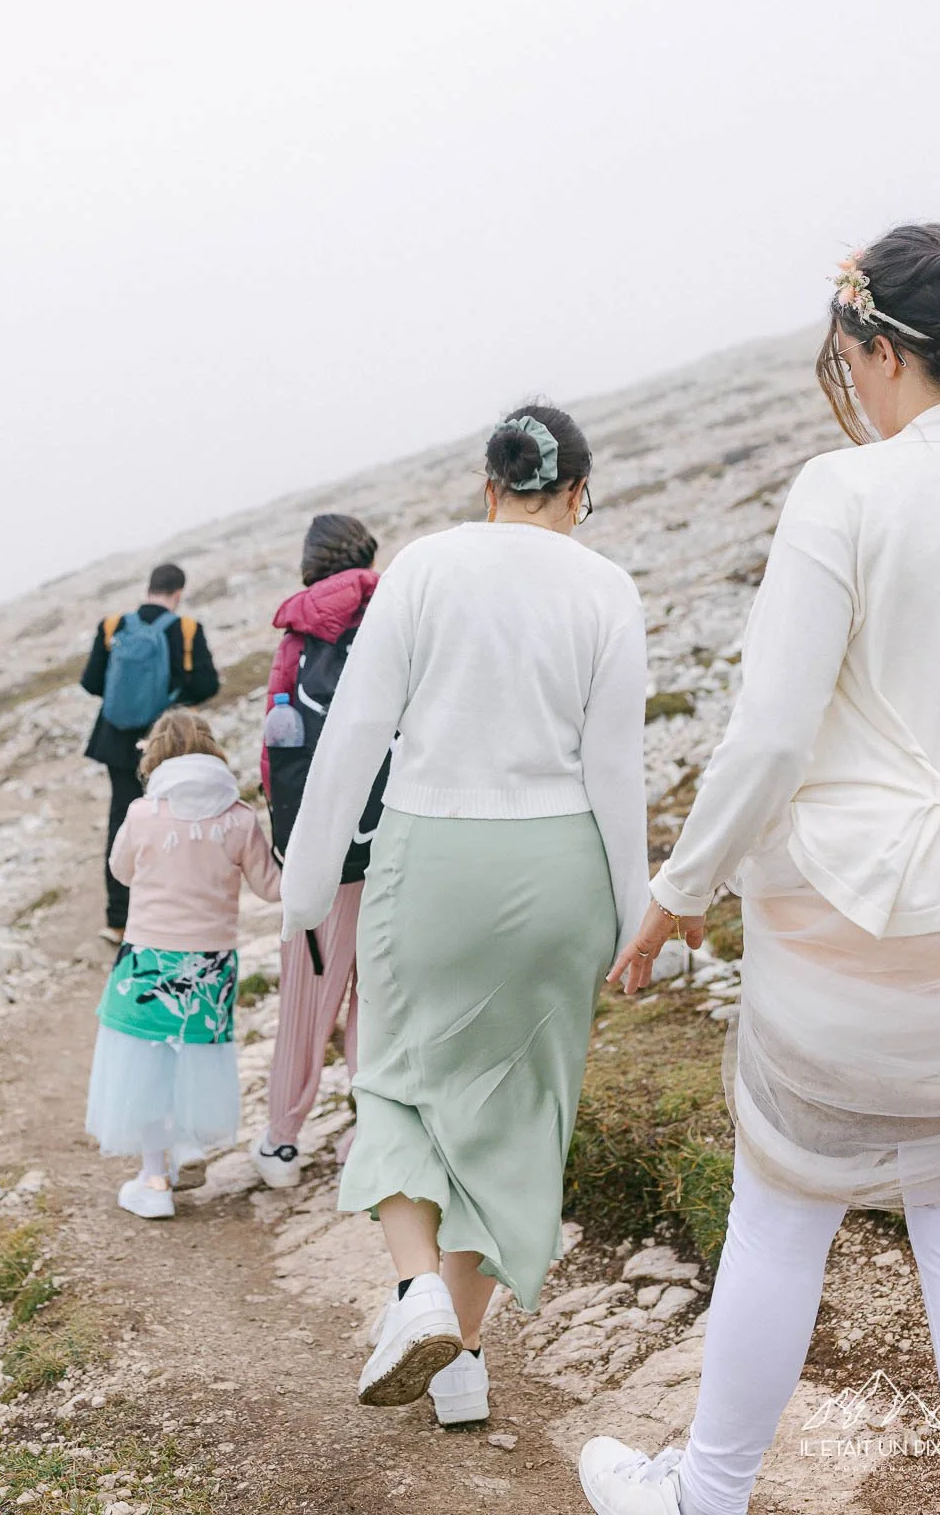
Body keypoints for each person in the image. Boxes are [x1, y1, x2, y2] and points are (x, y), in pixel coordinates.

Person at [579, 224, 940, 1515]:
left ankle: (704, 1494)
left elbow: (768, 737)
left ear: (879, 350)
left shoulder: (846, 493)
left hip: (848, 948)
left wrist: (674, 891)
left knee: (778, 1215)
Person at [280, 407, 649, 1426]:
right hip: (561, 870)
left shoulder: (427, 569)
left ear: (488, 486)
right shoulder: (606, 588)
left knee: (397, 1076)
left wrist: (305, 889)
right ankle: (464, 1363)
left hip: (432, 854)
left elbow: (356, 733)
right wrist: (637, 916)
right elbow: (618, 769)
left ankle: (416, 1295)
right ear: (575, 494)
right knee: (518, 1115)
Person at [84, 708, 280, 1219]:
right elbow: (272, 887)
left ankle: (154, 1181)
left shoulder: (144, 813)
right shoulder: (239, 817)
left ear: (155, 756)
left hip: (149, 958)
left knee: (144, 1066)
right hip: (211, 964)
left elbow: (120, 871)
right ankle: (188, 1146)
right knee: (195, 1057)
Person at [250, 513, 382, 1190]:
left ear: (311, 562)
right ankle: (373, 1134)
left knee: (308, 994)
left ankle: (281, 1139)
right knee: (381, 994)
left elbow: (279, 746)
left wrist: (286, 844)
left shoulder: (299, 630)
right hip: (394, 843)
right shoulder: (396, 609)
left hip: (322, 849)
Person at [82, 562, 219, 942]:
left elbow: (91, 681)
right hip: (166, 741)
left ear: (149, 588)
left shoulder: (113, 626)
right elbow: (207, 684)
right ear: (178, 593)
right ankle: (169, 913)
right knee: (172, 821)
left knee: (122, 820)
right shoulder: (186, 630)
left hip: (116, 740)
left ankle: (118, 918)